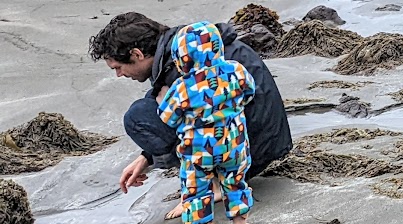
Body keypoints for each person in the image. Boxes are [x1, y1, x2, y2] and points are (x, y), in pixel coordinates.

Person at [91, 12, 292, 202]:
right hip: (261, 142)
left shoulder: (178, 66)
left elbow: (189, 121)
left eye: (118, 67)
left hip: (245, 154)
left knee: (138, 117)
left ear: (137, 54)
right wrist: (146, 157)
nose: (119, 75)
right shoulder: (195, 44)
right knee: (155, 100)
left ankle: (210, 185)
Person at [156, 21, 255, 224]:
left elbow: (167, 117)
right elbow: (250, 91)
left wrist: (168, 105)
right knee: (235, 181)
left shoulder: (183, 86)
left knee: (195, 189)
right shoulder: (236, 70)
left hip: (198, 150)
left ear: (182, 58)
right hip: (234, 142)